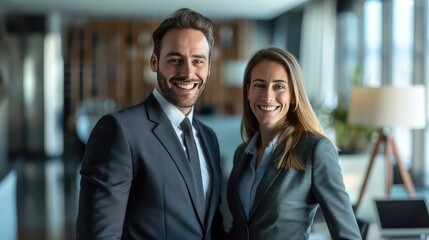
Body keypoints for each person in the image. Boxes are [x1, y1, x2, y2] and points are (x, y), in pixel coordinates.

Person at [76, 8, 226, 240]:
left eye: (198, 61)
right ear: (154, 62)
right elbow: (99, 235)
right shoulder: (120, 131)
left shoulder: (209, 138)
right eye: (175, 60)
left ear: (208, 68)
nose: (188, 72)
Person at [226, 47, 362, 240]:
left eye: (279, 86)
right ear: (248, 92)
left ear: (293, 95)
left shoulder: (315, 149)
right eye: (259, 85)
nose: (267, 96)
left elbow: (347, 234)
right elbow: (240, 228)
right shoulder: (242, 153)